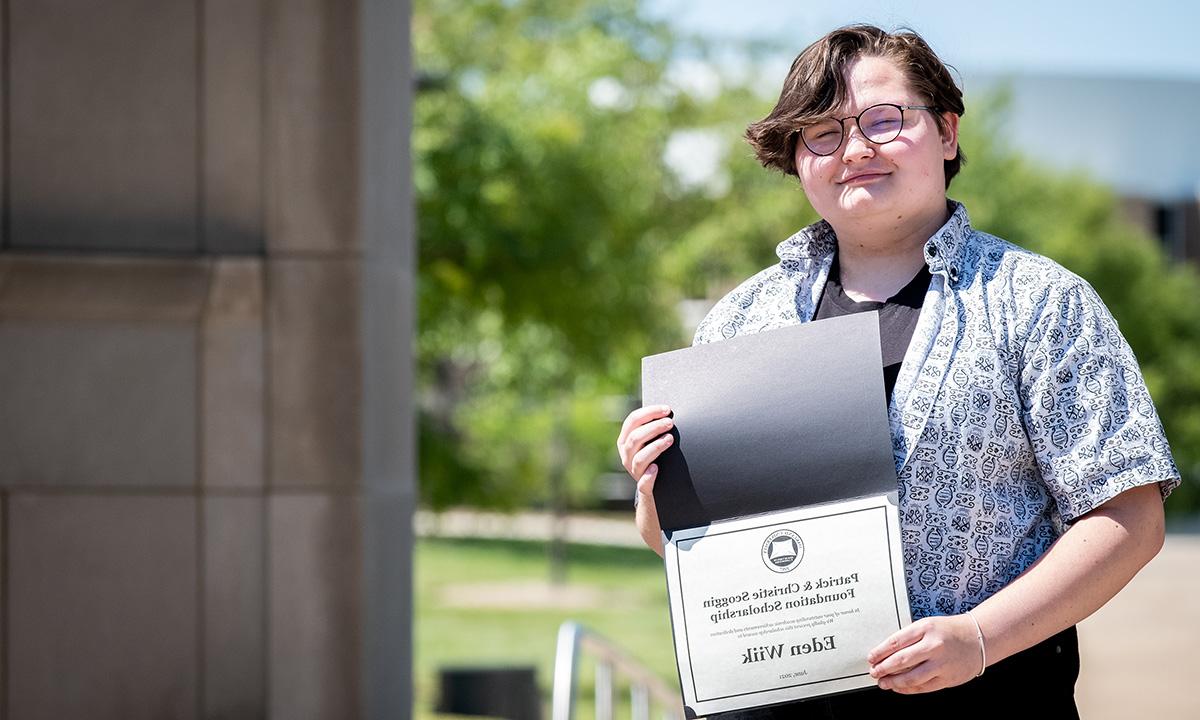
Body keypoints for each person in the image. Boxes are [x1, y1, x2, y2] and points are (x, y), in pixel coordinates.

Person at [616, 24, 1177, 717]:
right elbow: (684, 547)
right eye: (821, 132)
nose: (854, 149)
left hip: (989, 694)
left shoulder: (1038, 301)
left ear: (946, 132)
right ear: (797, 160)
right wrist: (655, 489)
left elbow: (1130, 515)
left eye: (883, 120)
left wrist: (977, 638)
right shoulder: (739, 321)